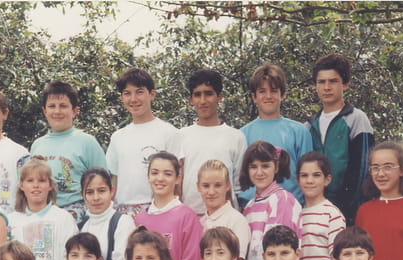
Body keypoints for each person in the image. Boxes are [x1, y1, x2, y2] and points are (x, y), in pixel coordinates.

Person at [305, 54, 374, 224]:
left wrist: (350, 211)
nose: (327, 87)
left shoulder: (356, 119)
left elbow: (363, 170)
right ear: (315, 86)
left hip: (349, 212)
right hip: (316, 211)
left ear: (345, 84)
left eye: (333, 81)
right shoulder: (308, 126)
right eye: (321, 82)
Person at [105, 68, 182, 216]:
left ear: (152, 94)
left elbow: (178, 180)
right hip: (122, 212)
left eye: (139, 92)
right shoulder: (118, 137)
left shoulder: (169, 132)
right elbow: (115, 180)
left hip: (158, 210)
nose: (133, 99)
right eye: (127, 93)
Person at [29, 80, 107, 221]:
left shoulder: (87, 142)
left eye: (63, 106)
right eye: (52, 106)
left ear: (74, 111)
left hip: (78, 213)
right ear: (45, 111)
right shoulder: (37, 145)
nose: (57, 111)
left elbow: (103, 184)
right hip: (43, 212)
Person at [239, 63, 312, 207]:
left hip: (290, 208)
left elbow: (308, 174)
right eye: (262, 91)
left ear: (282, 94)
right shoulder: (242, 134)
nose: (268, 96)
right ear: (254, 97)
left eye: (273, 91)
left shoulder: (299, 131)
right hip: (251, 209)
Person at [178, 69, 247, 215]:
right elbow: (177, 181)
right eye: (197, 95)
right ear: (191, 100)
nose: (203, 101)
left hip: (226, 217)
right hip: (190, 216)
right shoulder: (181, 136)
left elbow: (239, 186)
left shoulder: (236, 137)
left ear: (219, 97)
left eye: (208, 94)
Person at [7, 155, 76, 260]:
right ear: (21, 185)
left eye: (42, 180)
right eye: (30, 181)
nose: (36, 185)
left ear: (50, 185)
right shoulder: (11, 221)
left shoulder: (64, 219)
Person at [134, 151, 203, 260]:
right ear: (148, 177)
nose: (160, 178)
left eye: (167, 174)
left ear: (178, 178)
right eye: (155, 173)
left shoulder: (187, 217)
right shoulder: (139, 219)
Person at [241, 141, 302, 260]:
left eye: (265, 166)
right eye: (253, 167)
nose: (259, 172)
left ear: (276, 167)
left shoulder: (282, 200)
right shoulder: (250, 206)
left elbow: (277, 250)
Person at [79, 167, 136, 260]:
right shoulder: (81, 227)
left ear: (112, 191)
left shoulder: (122, 222)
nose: (96, 197)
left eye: (101, 191)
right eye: (89, 192)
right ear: (82, 194)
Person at [196, 159, 251, 260]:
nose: (211, 192)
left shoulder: (236, 220)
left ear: (227, 186)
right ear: (198, 186)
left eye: (217, 185)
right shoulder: (200, 222)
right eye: (206, 186)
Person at [298, 151, 346, 260]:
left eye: (316, 175)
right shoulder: (296, 213)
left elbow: (338, 259)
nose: (309, 181)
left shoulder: (332, 213)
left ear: (327, 180)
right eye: (304, 175)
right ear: (297, 180)